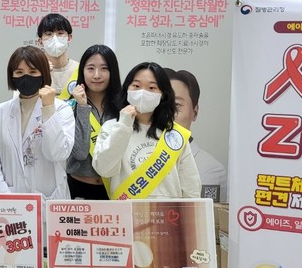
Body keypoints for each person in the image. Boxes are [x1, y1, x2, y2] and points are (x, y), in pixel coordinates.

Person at [92, 62, 201, 199]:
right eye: (136, 86)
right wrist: (123, 125)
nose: (142, 92)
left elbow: (191, 187)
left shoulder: (175, 134)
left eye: (152, 88)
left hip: (169, 211)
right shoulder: (111, 127)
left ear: (163, 94)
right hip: (126, 209)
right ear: (127, 89)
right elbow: (103, 169)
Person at [0, 45, 74, 201]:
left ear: (43, 74)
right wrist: (3, 194)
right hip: (10, 200)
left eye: (33, 72)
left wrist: (48, 109)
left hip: (49, 201)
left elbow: (57, 153)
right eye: (19, 72)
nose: (26, 77)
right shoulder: (1, 111)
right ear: (12, 76)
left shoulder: (61, 109)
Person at [66, 44, 122, 200]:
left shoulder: (123, 108)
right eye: (90, 68)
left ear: (112, 72)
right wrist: (82, 107)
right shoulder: (69, 107)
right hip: (77, 188)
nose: (97, 75)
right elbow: (80, 153)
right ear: (82, 71)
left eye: (104, 69)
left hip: (114, 188)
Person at [164, 68, 228, 202]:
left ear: (195, 112)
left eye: (176, 106)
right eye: (159, 106)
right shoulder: (130, 158)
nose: (165, 115)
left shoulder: (210, 170)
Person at [37, 13, 78, 96]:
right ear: (40, 41)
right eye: (49, 34)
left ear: (69, 38)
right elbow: (22, 101)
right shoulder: (34, 71)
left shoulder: (79, 69)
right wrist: (40, 74)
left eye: (60, 33)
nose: (55, 38)